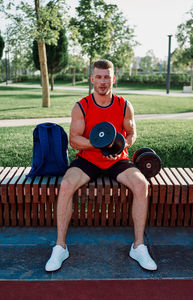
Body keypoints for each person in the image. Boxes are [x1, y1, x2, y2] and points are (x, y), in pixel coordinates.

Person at [45, 59, 157, 272]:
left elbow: (132, 133)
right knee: (66, 185)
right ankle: (60, 246)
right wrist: (100, 145)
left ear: (113, 79)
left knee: (142, 185)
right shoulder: (82, 106)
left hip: (118, 159)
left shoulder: (124, 105)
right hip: (88, 159)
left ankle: (138, 246)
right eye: (99, 77)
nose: (103, 81)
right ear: (92, 79)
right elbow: (74, 139)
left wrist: (121, 144)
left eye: (107, 77)